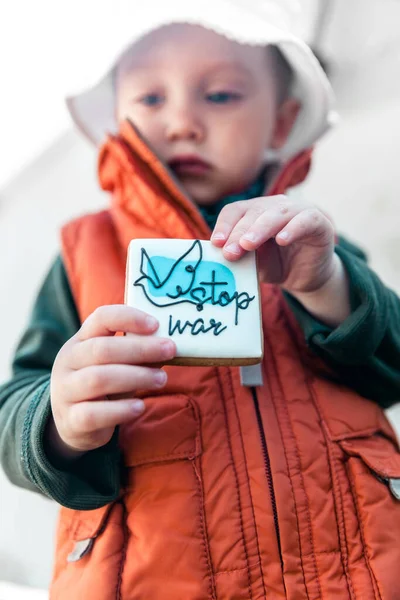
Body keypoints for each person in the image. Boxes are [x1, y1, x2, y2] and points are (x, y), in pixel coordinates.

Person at [1, 1, 400, 598]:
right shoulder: (84, 253)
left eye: (220, 96)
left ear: (282, 121)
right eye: (151, 99)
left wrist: (327, 285)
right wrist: (58, 420)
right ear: (116, 117)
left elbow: (391, 368)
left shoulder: (315, 248)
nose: (183, 121)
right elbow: (14, 409)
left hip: (358, 573)